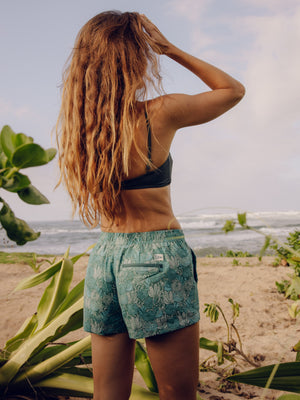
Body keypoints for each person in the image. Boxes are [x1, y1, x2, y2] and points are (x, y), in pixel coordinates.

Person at [56, 11, 245, 400]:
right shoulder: (158, 113)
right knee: (177, 393)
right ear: (134, 59)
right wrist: (169, 49)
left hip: (104, 259)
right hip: (156, 255)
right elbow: (232, 91)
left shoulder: (81, 131)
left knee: (107, 393)